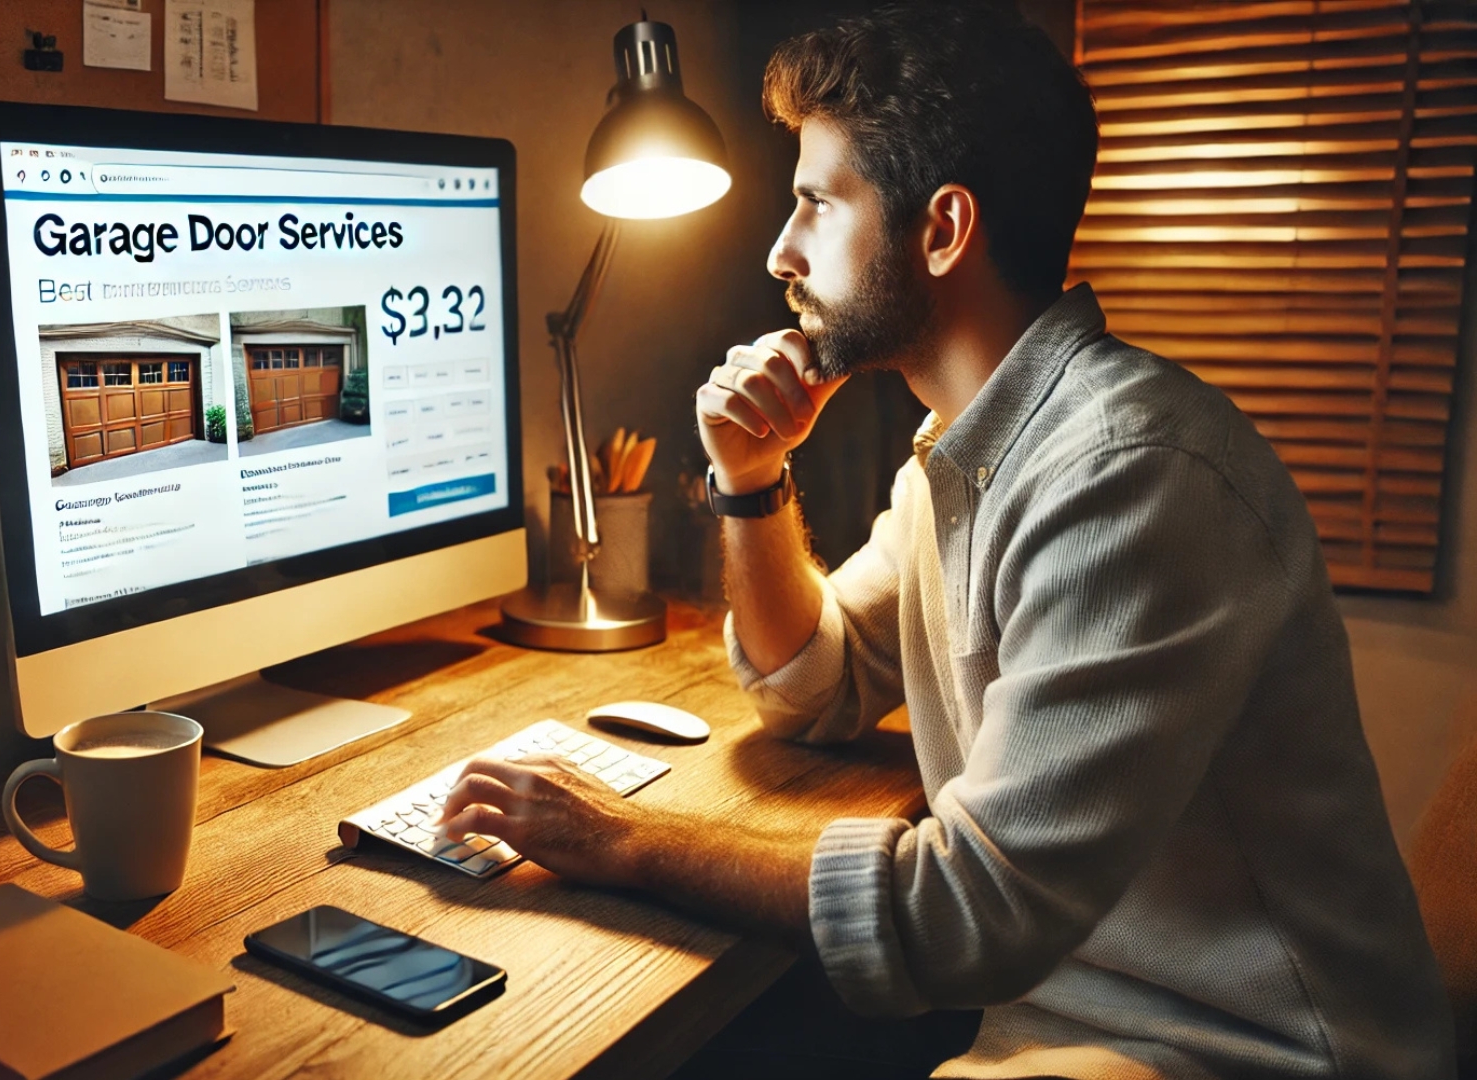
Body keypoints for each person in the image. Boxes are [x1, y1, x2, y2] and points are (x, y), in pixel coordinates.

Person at [437, 3, 1456, 1076]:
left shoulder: (1129, 476)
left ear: (943, 228)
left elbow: (967, 911)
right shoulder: (965, 454)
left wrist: (623, 841)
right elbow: (811, 682)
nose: (781, 251)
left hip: (1244, 1047)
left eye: (816, 204)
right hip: (1058, 1014)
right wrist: (748, 482)